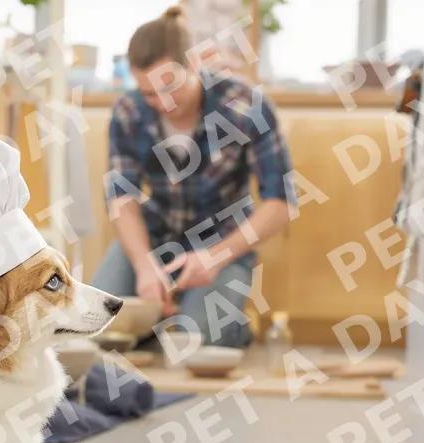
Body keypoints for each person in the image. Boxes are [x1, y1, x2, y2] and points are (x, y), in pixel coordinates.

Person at [92, 6, 295, 348]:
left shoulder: (247, 105)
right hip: (153, 240)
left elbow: (281, 203)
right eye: (149, 94)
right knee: (95, 326)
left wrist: (216, 256)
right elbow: (121, 198)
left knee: (200, 340)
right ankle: (159, 322)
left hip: (222, 244)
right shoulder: (127, 111)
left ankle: (225, 327)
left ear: (195, 64)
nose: (162, 102)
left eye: (170, 86)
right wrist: (143, 266)